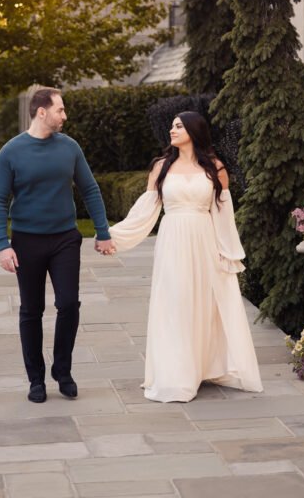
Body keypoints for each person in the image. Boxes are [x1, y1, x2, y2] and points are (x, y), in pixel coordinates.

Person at [104, 111, 262, 402]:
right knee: (174, 302)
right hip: (173, 240)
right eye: (172, 126)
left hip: (204, 242)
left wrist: (228, 252)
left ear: (193, 131)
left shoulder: (215, 168)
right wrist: (113, 236)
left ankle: (201, 366)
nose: (172, 130)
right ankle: (175, 374)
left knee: (201, 304)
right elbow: (146, 210)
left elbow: (224, 214)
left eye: (178, 126)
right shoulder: (161, 167)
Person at [0, 87, 116, 403]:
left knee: (69, 304)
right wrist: (3, 244)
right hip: (26, 241)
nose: (65, 115)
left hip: (64, 239)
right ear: (41, 111)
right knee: (32, 310)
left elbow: (90, 190)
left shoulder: (69, 148)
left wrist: (103, 232)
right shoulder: (11, 152)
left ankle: (63, 371)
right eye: (60, 109)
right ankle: (36, 380)